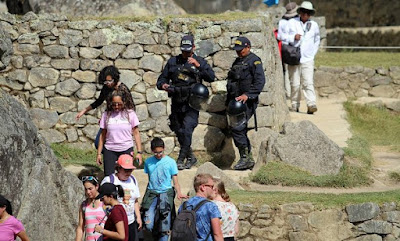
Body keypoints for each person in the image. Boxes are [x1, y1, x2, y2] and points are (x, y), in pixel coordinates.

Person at [156, 35, 215, 170]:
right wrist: (164, 85)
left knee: (187, 130)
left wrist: (199, 66)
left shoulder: (199, 62)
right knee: (179, 131)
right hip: (176, 101)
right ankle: (191, 157)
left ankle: (181, 159)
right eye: (183, 51)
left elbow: (211, 77)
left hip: (192, 103)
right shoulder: (172, 62)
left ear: (194, 48)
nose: (186, 54)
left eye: (188, 51)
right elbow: (160, 81)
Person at [226, 36, 266, 170]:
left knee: (238, 128)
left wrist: (248, 95)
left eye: (241, 50)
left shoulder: (255, 61)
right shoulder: (237, 61)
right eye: (237, 50)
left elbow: (260, 82)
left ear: (248, 47)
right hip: (235, 102)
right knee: (237, 128)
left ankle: (246, 158)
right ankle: (246, 157)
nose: (238, 52)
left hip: (247, 102)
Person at [75, 65, 135, 150]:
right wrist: (84, 111)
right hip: (109, 118)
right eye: (106, 82)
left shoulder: (123, 89)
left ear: (115, 78)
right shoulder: (106, 88)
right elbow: (98, 101)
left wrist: (129, 123)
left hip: (122, 120)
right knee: (98, 143)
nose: (108, 84)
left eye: (110, 81)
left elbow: (131, 107)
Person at [141, 137, 188, 241]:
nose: (159, 155)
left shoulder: (170, 162)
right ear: (152, 151)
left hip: (166, 194)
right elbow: (150, 179)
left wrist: (179, 192)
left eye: (161, 152)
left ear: (164, 149)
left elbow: (175, 181)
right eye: (156, 152)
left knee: (165, 226)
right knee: (148, 224)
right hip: (152, 193)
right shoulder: (148, 162)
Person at [97, 91, 143, 176]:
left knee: (125, 175)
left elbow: (136, 133)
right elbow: (102, 135)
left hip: (126, 148)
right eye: (114, 104)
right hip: (110, 149)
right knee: (109, 177)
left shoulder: (130, 114)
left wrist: (139, 152)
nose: (116, 106)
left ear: (124, 102)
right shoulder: (106, 115)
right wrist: (99, 153)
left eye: (119, 104)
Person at [287, 1, 320, 114]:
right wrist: (293, 37)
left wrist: (312, 53)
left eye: (308, 12)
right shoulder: (292, 23)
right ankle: (295, 104)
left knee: (308, 82)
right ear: (300, 12)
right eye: (304, 12)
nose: (306, 14)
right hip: (293, 58)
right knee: (295, 83)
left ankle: (311, 104)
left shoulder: (314, 25)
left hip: (308, 58)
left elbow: (317, 40)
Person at [101, 154, 142, 241]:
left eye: (130, 170)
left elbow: (135, 201)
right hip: (115, 223)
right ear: (118, 168)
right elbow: (102, 201)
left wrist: (138, 217)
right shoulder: (109, 180)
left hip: (130, 221)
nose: (128, 173)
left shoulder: (133, 180)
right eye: (125, 170)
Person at [177, 174, 223, 241]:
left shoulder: (184, 205)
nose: (213, 189)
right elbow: (217, 234)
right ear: (203, 187)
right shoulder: (210, 206)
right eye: (211, 186)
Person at [277, 2, 299, 99]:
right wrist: (292, 37)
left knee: (296, 74)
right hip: (287, 50)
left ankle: (295, 96)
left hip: (298, 50)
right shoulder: (283, 22)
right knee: (288, 73)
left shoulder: (298, 21)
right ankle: (288, 94)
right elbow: (280, 36)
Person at [75, 176, 107, 241]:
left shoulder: (105, 203)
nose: (88, 192)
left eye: (90, 189)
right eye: (86, 189)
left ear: (97, 186)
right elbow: (80, 227)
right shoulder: (84, 205)